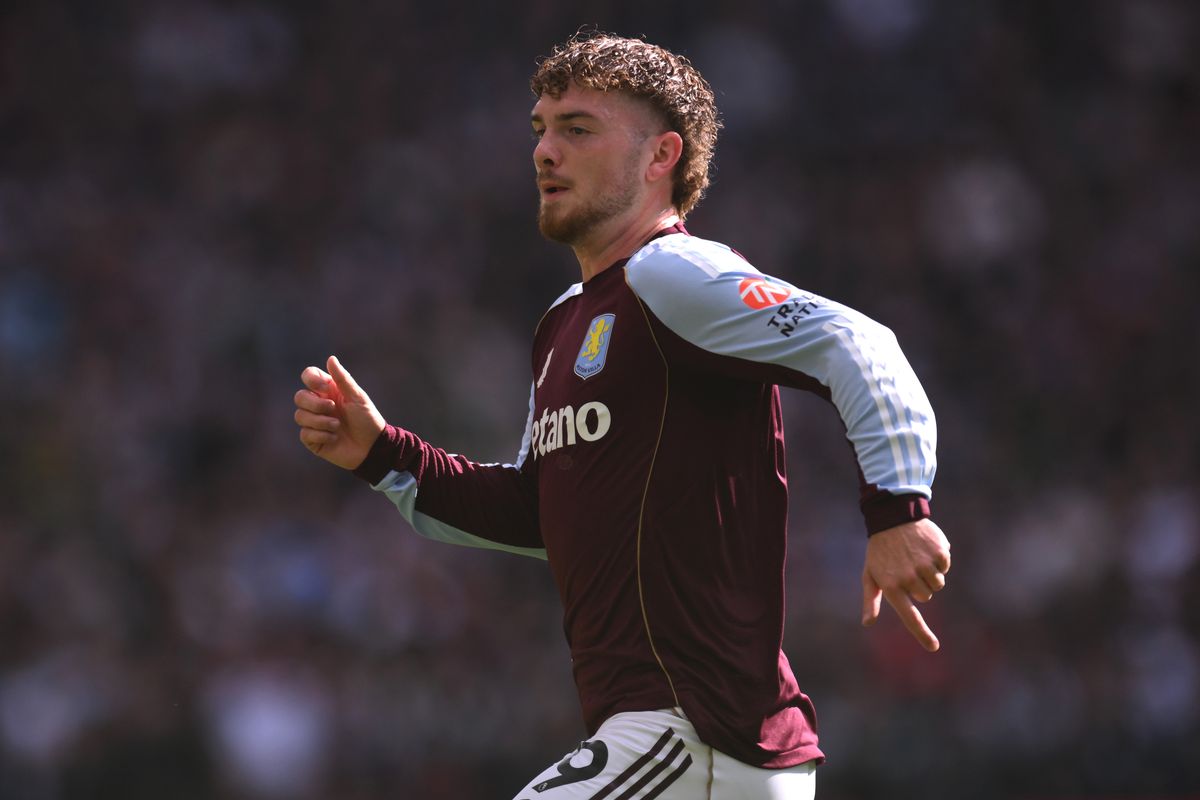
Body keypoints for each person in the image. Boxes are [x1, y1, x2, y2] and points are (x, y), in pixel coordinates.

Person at [294, 32, 950, 800]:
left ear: (661, 156)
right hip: (679, 747)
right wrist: (385, 456)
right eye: (539, 129)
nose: (545, 152)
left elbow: (856, 341)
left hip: (698, 733)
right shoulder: (566, 319)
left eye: (577, 129)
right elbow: (544, 514)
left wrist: (899, 507)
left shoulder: (672, 273)